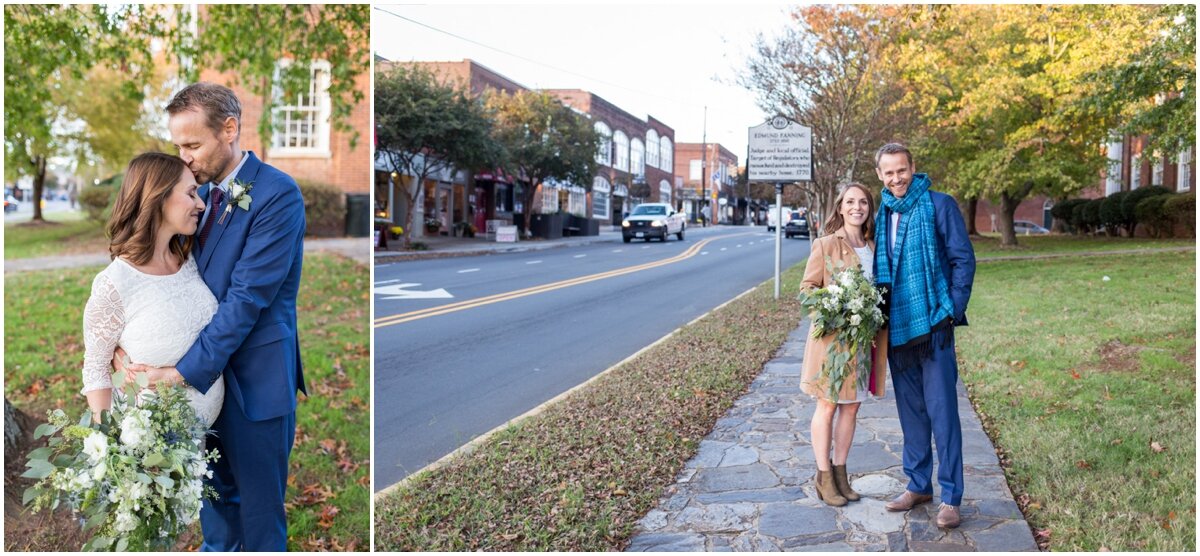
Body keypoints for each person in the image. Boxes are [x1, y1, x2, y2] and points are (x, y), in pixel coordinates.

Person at [121, 82, 307, 551]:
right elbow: (164, 276)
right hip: (202, 390)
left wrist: (180, 374)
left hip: (254, 382)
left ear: (229, 129)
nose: (183, 158)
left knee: (260, 519)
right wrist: (126, 342)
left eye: (192, 145)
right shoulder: (193, 195)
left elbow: (245, 301)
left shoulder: (277, 196)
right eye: (177, 145)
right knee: (216, 506)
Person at [872, 143, 975, 529]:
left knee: (943, 413)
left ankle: (951, 496)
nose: (896, 178)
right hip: (898, 329)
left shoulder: (939, 204)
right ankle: (918, 484)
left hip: (933, 327)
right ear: (880, 176)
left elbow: (962, 259)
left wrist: (951, 310)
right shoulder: (881, 214)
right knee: (911, 414)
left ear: (913, 168)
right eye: (889, 173)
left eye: (902, 170)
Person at [82, 152, 223, 431]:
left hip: (203, 444)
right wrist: (108, 442)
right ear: (158, 197)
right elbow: (96, 371)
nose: (201, 204)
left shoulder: (190, 259)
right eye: (191, 193)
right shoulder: (115, 283)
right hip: (152, 450)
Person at [799, 182, 888, 507]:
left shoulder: (876, 248)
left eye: (863, 202)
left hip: (865, 343)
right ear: (840, 207)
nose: (857, 207)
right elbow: (807, 289)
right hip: (833, 345)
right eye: (850, 201)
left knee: (852, 407)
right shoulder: (825, 245)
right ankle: (823, 477)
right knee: (828, 405)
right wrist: (836, 305)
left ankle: (840, 474)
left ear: (869, 209)